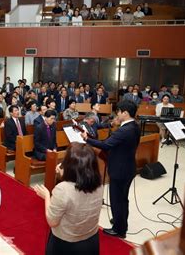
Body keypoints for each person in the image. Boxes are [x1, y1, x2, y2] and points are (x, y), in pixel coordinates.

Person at [82, 100, 141, 238]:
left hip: (119, 170)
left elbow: (106, 145)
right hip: (128, 167)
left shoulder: (124, 130)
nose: (117, 115)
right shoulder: (135, 126)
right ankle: (121, 222)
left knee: (116, 199)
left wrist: (87, 139)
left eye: (119, 112)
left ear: (125, 113)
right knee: (123, 199)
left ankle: (119, 230)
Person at [34, 143, 102, 255]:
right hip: (91, 241)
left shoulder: (63, 189)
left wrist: (47, 196)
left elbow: (52, 221)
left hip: (67, 245)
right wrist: (64, 176)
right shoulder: (99, 185)